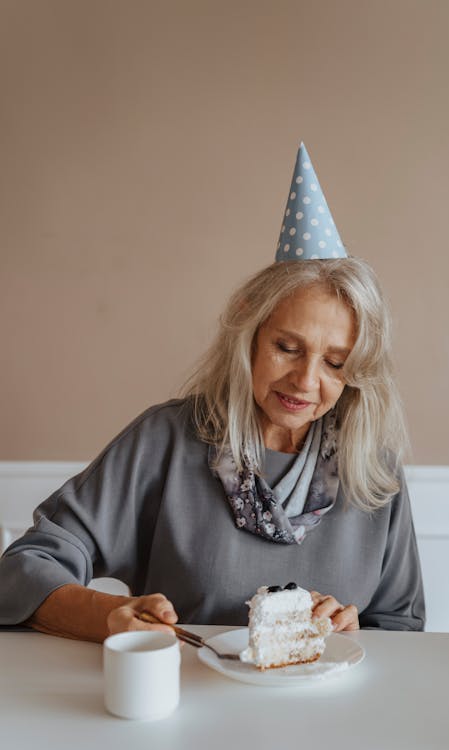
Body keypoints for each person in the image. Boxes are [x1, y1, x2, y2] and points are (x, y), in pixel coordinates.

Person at [0, 144, 425, 642]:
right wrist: (107, 616)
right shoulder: (165, 440)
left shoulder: (374, 469)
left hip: (324, 716)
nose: (307, 382)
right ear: (249, 328)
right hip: (182, 709)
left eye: (335, 363)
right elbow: (23, 569)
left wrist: (351, 631)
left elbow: (400, 628)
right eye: (287, 347)